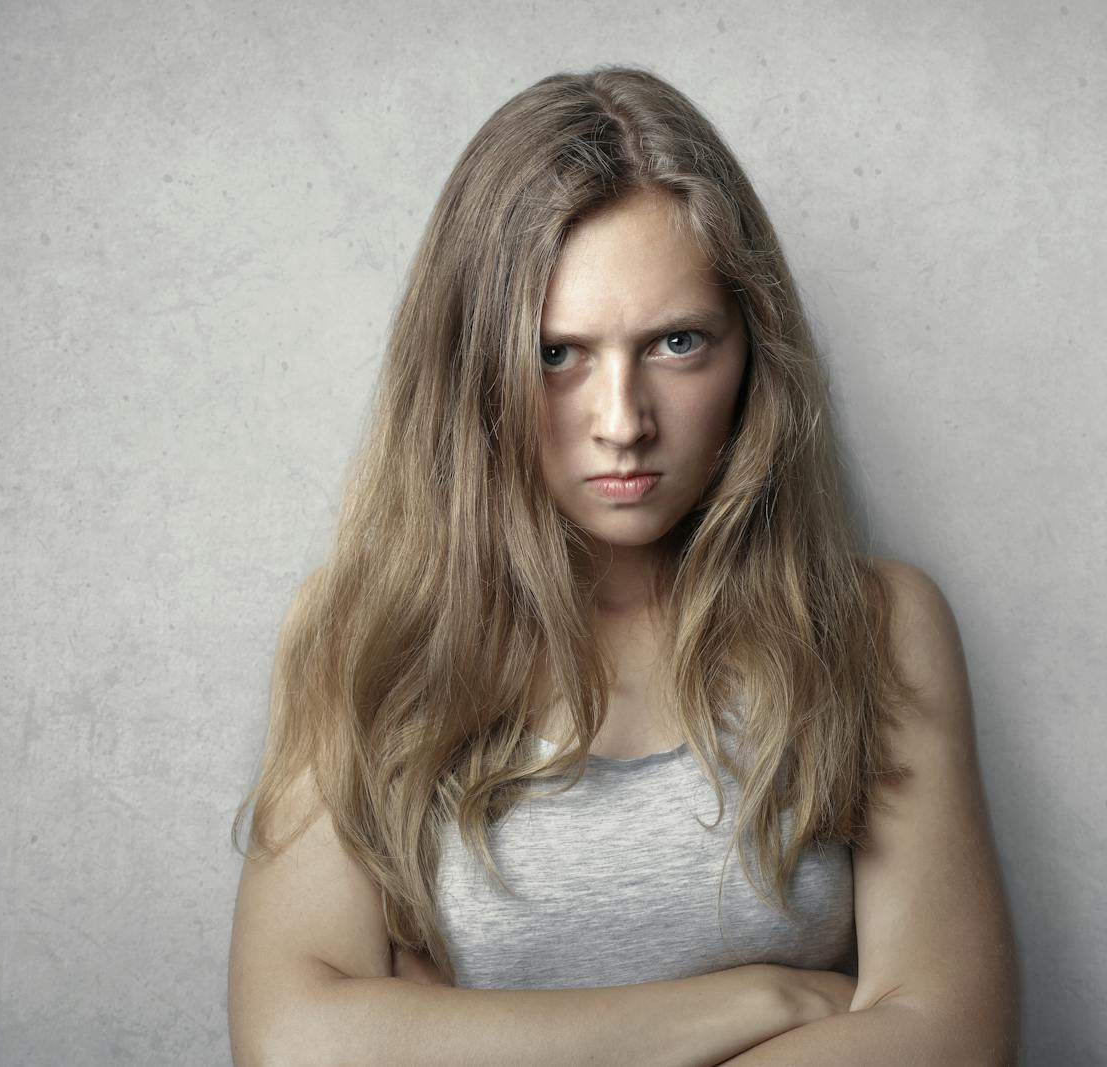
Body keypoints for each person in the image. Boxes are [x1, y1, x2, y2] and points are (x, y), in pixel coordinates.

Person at [227, 64, 1018, 1065]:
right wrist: (755, 998)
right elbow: (296, 1043)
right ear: (472, 368)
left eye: (678, 343)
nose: (622, 423)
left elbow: (951, 1040)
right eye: (557, 354)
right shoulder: (361, 636)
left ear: (751, 353)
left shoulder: (872, 626)